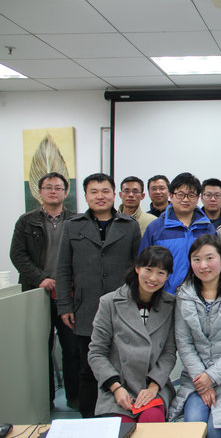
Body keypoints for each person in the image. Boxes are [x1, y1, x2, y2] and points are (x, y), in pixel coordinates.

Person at [56, 173, 141, 418]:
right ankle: (89, 419)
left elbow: (138, 267)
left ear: (114, 195)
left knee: (125, 365)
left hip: (122, 307)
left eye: (105, 191)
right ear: (85, 196)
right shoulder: (72, 225)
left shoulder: (129, 225)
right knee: (88, 368)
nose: (100, 196)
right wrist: (65, 306)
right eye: (94, 192)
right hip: (86, 308)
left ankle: (122, 416)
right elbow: (63, 269)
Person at [169, 235, 221, 438]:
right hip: (196, 377)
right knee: (195, 427)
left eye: (209, 258)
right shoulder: (184, 294)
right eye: (197, 259)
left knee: (216, 432)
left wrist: (212, 376)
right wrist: (202, 379)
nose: (203, 265)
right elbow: (184, 343)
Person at [10, 171, 79, 410]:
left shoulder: (76, 220)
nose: (53, 191)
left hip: (68, 294)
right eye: (48, 187)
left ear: (65, 192)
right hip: (36, 293)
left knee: (72, 347)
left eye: (58, 187)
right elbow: (17, 255)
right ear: (39, 192)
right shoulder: (26, 221)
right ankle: (44, 399)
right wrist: (41, 279)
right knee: (40, 348)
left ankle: (75, 397)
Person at [88, 246, 177, 422]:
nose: (153, 278)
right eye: (148, 270)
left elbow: (169, 353)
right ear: (137, 268)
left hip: (152, 387)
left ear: (167, 277)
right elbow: (96, 353)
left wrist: (153, 387)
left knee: (152, 422)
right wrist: (116, 388)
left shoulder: (170, 305)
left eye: (161, 273)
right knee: (122, 428)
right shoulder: (109, 303)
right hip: (118, 387)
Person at [140, 172, 216, 294]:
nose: (185, 199)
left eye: (191, 195)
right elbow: (143, 265)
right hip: (164, 297)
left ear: (198, 198)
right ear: (171, 195)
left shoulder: (208, 228)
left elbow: (215, 264)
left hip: (201, 297)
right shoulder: (155, 228)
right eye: (180, 194)